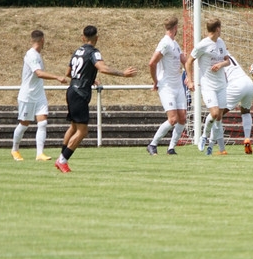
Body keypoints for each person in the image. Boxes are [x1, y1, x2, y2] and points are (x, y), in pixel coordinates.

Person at [55, 25, 138, 172]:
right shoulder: (93, 52)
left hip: (71, 91)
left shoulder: (77, 52)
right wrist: (123, 74)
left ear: (83, 38)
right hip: (80, 93)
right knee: (82, 131)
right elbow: (102, 68)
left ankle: (61, 158)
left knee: (73, 127)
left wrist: (88, 78)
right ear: (97, 38)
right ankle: (62, 160)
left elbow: (69, 73)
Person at [12, 29, 67, 162]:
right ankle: (14, 149)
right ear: (42, 40)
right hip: (28, 95)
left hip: (39, 94)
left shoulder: (37, 54)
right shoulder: (31, 55)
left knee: (43, 123)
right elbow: (39, 73)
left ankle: (40, 153)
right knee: (24, 124)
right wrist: (57, 77)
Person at [185, 18, 230, 156]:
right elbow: (188, 62)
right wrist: (190, 81)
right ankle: (203, 136)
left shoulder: (221, 42)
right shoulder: (202, 45)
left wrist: (220, 64)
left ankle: (210, 143)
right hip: (208, 85)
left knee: (219, 117)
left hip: (221, 84)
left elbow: (227, 61)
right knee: (215, 113)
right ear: (218, 29)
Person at [146, 17, 186, 156]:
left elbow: (184, 60)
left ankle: (171, 148)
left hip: (178, 86)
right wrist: (155, 81)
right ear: (175, 27)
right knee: (173, 119)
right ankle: (152, 144)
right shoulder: (165, 43)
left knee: (182, 118)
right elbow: (152, 63)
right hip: (167, 86)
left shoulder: (175, 44)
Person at [203, 53, 253, 154]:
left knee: (217, 116)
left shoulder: (215, 58)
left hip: (236, 85)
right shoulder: (228, 55)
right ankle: (247, 138)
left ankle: (220, 149)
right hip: (248, 83)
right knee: (245, 112)